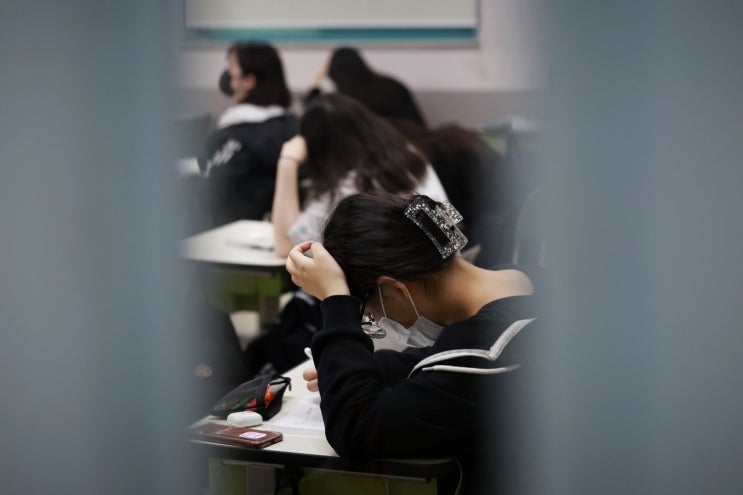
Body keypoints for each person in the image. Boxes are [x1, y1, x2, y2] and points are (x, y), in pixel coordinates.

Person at [285, 193, 543, 494]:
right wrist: (353, 371)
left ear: (392, 289)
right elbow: (439, 362)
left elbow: (357, 430)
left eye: (371, 313)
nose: (379, 322)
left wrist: (337, 302)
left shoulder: (486, 355)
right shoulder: (523, 282)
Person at [271, 92, 447, 258]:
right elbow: (450, 231)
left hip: (406, 283)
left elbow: (285, 247)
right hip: (447, 265)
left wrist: (287, 162)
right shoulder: (408, 154)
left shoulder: (344, 189)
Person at [198, 41, 298, 226]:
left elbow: (211, 185)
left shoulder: (232, 137)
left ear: (249, 81)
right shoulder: (295, 126)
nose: (227, 76)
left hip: (232, 233)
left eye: (231, 69)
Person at [304, 46, 427, 127]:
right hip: (414, 146)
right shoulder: (391, 85)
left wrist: (315, 83)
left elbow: (315, 118)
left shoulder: (348, 101)